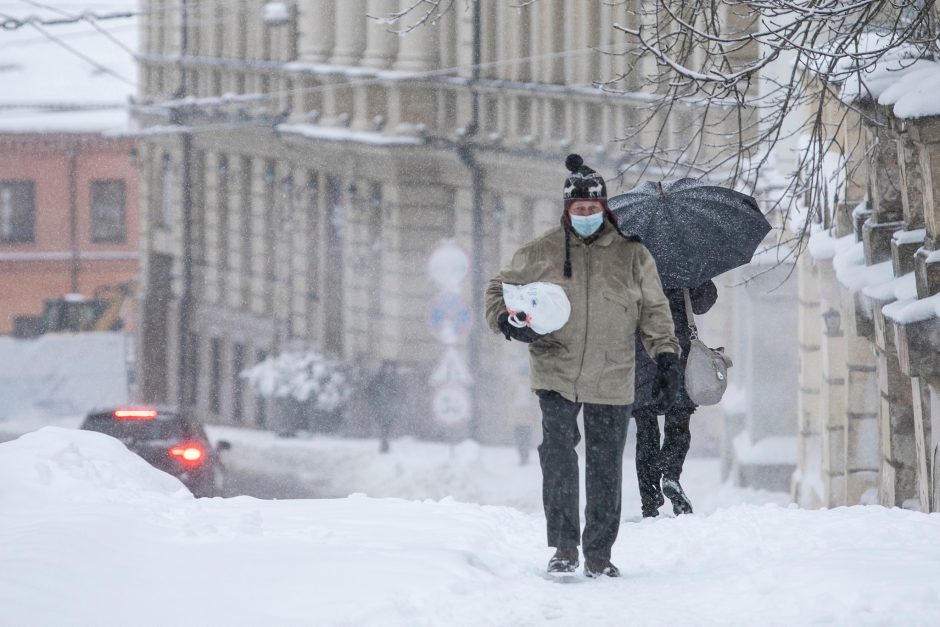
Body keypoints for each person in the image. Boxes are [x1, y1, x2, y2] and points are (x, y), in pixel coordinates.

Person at [484, 154, 681, 578]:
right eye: (579, 209)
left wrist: (666, 356)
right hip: (555, 368)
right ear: (567, 210)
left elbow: (655, 309)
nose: (587, 215)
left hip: (612, 374)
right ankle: (564, 547)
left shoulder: (633, 255)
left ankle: (598, 553)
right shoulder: (543, 250)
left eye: (593, 209)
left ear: (604, 209)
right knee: (557, 455)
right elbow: (498, 289)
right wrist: (507, 322)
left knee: (605, 463)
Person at [633, 280, 718, 517]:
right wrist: (700, 279)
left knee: (646, 429)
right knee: (678, 423)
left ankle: (649, 501)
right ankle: (670, 475)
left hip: (640, 355)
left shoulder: (629, 256)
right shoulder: (682, 260)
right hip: (675, 354)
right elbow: (702, 303)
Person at [365, 360, 404, 453]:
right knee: (383, 426)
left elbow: (397, 393)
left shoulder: (392, 380)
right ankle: (384, 444)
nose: (388, 370)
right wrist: (374, 403)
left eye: (390, 368)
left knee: (387, 427)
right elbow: (369, 392)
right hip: (380, 407)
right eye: (387, 368)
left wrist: (395, 404)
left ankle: (385, 444)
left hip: (390, 408)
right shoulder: (377, 380)